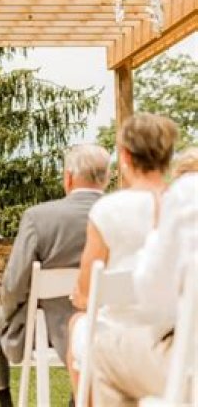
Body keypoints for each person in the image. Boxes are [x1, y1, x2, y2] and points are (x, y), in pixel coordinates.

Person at [0, 144, 111, 407]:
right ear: (106, 178)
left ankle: (6, 404)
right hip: (106, 325)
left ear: (68, 178)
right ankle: (77, 398)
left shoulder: (39, 217)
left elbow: (13, 285)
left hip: (45, 327)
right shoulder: (121, 215)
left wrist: (14, 314)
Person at [67, 113, 178, 393]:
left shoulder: (108, 210)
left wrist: (80, 296)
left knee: (78, 324)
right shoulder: (186, 206)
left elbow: (85, 295)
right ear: (167, 155)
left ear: (125, 156)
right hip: (179, 345)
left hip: (122, 339)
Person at [90, 166, 197, 405]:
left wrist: (158, 233)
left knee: (101, 351)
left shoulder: (186, 195)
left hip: (188, 366)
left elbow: (151, 299)